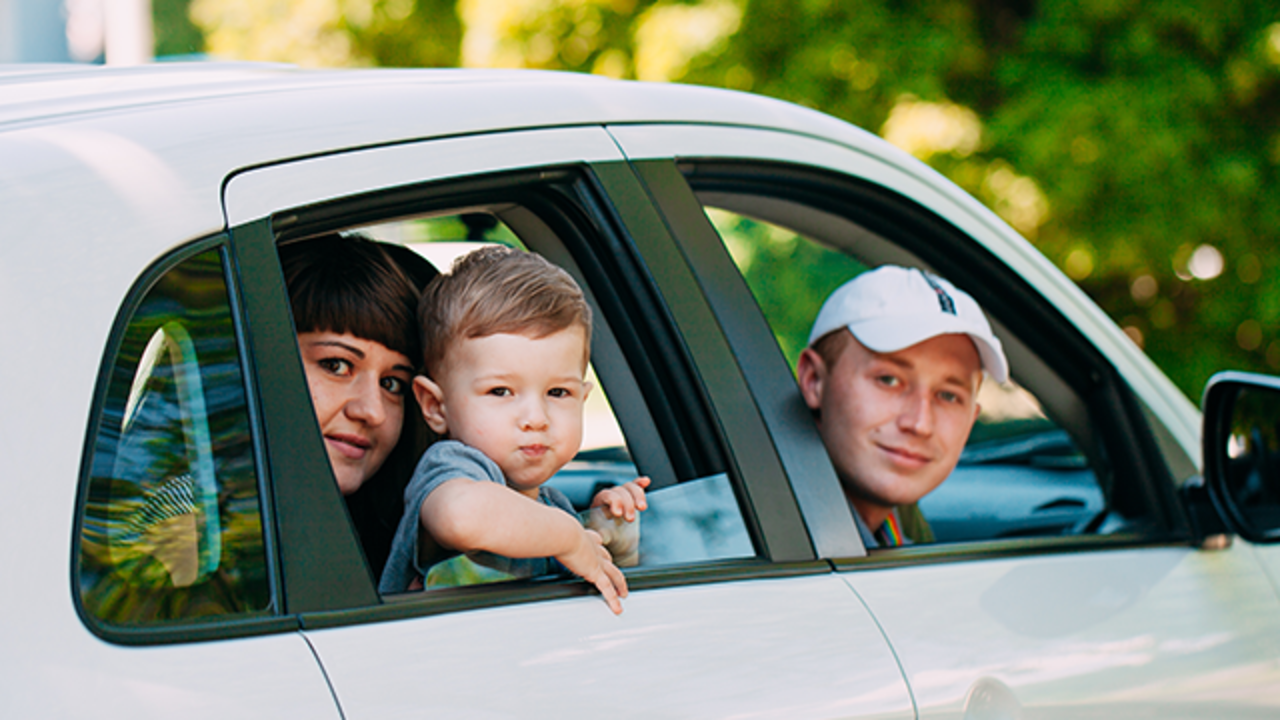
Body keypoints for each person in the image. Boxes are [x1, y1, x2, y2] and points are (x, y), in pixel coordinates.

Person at [379, 246, 648, 614]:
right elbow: (461, 516)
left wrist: (607, 539)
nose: (536, 418)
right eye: (500, 391)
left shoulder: (553, 508)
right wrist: (569, 537)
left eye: (558, 392)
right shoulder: (452, 469)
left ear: (583, 399)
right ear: (435, 406)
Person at [795, 265, 1009, 549]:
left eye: (948, 396)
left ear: (972, 418)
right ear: (814, 381)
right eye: (888, 380)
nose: (920, 424)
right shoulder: (760, 531)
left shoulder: (904, 523)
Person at [280, 233, 433, 579]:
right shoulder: (191, 523)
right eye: (336, 365)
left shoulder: (398, 545)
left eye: (392, 384)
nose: (372, 412)